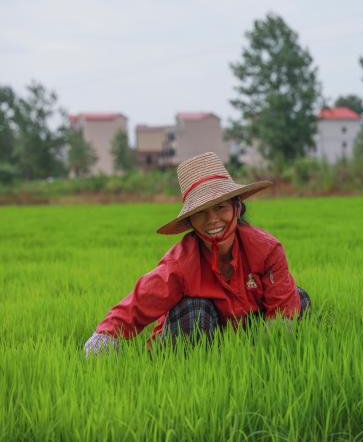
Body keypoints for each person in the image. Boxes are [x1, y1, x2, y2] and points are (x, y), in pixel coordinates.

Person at [84, 152, 311, 357]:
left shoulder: (267, 250)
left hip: (245, 339)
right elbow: (140, 302)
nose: (212, 220)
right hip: (190, 342)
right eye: (201, 213)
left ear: (237, 207)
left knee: (298, 298)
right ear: (190, 221)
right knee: (196, 309)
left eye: (220, 207)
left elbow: (281, 310)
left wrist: (254, 360)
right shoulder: (182, 262)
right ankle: (196, 368)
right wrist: (105, 338)